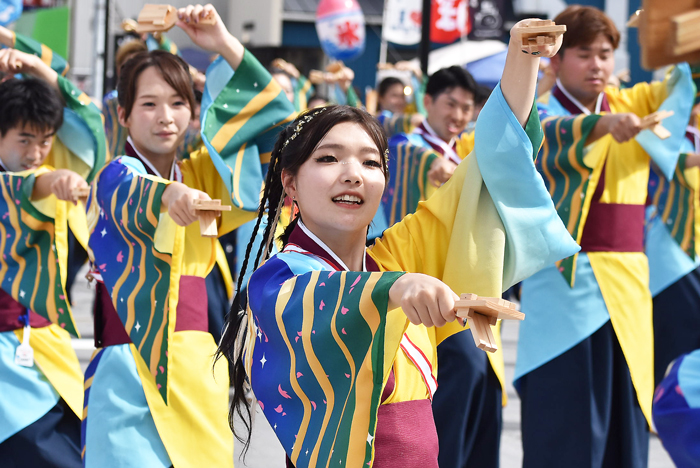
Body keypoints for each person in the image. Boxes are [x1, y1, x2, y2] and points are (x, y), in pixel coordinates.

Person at [220, 19, 578, 468]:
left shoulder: (394, 255)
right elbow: (312, 301)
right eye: (328, 158)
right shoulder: (282, 276)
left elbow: (487, 167)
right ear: (289, 183)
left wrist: (522, 56)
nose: (352, 173)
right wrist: (395, 288)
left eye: (370, 162)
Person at [82, 5, 296, 467]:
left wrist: (221, 43)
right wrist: (170, 195)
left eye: (178, 104)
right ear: (122, 114)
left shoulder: (203, 173)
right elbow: (133, 192)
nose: (166, 117)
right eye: (149, 104)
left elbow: (284, 131)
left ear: (194, 111)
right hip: (131, 374)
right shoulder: (115, 175)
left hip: (199, 368)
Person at [515, 6, 696, 467]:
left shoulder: (631, 104)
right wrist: (599, 126)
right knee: (565, 422)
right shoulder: (535, 112)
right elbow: (542, 136)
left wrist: (685, 39)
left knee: (626, 421)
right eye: (583, 53)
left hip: (630, 283)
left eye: (606, 54)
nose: (597, 64)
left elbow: (683, 88)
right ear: (555, 60)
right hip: (563, 285)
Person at [0, 45, 106, 467]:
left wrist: (38, 67)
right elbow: (26, 187)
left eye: (45, 141)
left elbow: (92, 129)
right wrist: (52, 180)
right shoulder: (39, 179)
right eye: (24, 139)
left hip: (41, 343)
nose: (36, 152)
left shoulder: (47, 167)